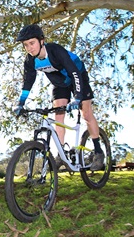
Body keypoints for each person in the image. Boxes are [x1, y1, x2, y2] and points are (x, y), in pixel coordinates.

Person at [14, 24, 104, 171]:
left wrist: (78, 98)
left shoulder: (55, 51)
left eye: (32, 43)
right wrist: (20, 103)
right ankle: (61, 155)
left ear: (41, 41)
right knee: (58, 117)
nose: (29, 48)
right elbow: (27, 82)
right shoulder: (30, 61)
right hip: (60, 83)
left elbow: (74, 73)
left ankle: (99, 152)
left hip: (77, 77)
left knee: (86, 113)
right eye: (25, 45)